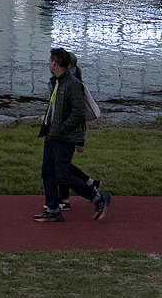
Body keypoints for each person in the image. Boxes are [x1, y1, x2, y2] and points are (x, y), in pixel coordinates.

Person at [36, 47, 110, 223]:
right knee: (47, 171)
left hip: (64, 137)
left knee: (63, 175)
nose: (49, 64)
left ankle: (97, 199)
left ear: (54, 63)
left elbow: (78, 113)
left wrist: (62, 128)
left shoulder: (73, 84)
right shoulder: (57, 81)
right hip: (52, 134)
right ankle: (54, 209)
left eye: (49, 61)